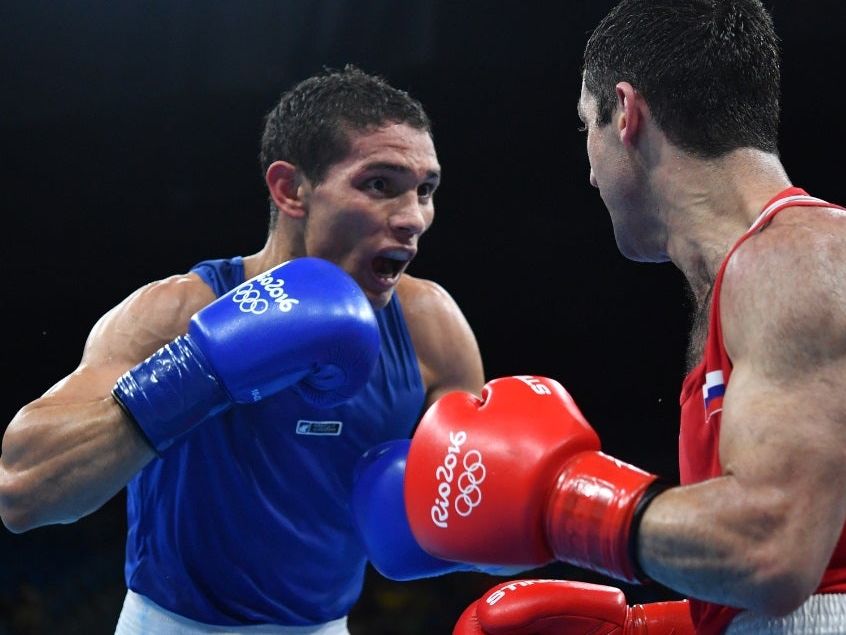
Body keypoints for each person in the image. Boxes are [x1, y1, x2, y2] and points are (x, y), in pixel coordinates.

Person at [392, 0, 846, 633]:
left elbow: (773, 552)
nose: (590, 173)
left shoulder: (802, 258)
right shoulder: (753, 280)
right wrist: (646, 627)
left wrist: (565, 503)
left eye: (586, 126)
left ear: (626, 113)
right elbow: (814, 582)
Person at [0, 64, 491, 633]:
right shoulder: (178, 312)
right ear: (290, 189)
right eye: (379, 184)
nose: (412, 219)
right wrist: (197, 371)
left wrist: (556, 516)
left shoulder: (430, 326)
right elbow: (22, 492)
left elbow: (479, 502)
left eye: (425, 190)